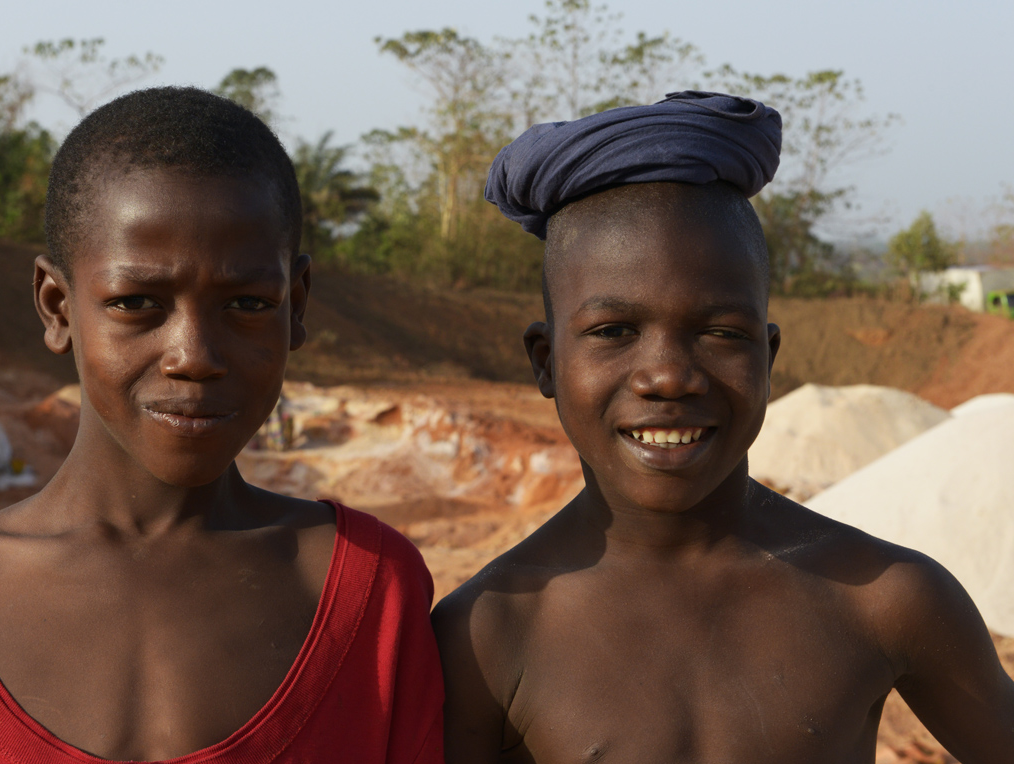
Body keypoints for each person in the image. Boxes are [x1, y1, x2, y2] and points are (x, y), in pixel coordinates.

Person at [0, 87, 443, 764]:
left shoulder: (370, 593)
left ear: (297, 306)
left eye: (248, 303)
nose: (194, 356)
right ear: (57, 306)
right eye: (136, 302)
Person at [432, 91, 1014, 763]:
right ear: (546, 361)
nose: (669, 376)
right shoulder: (488, 634)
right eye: (614, 331)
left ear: (767, 358)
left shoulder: (887, 598)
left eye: (720, 332)